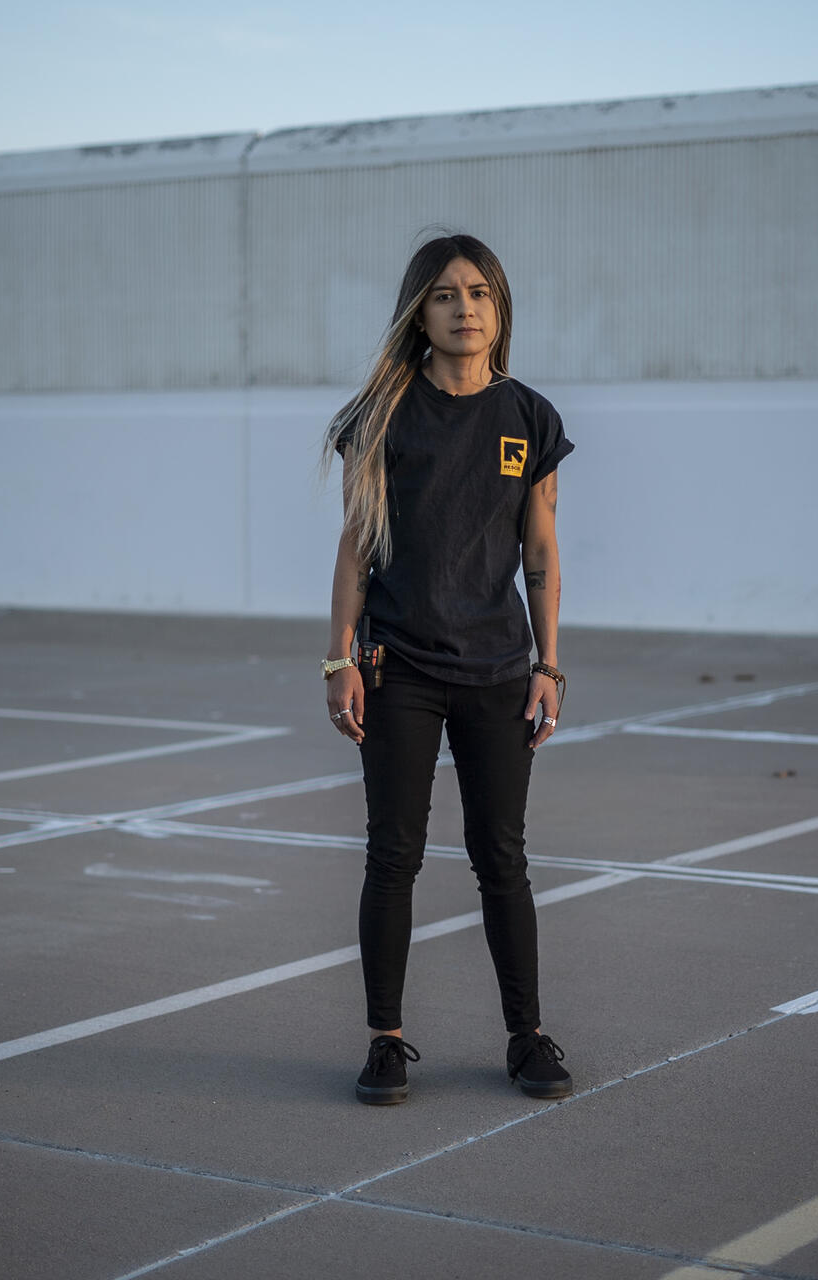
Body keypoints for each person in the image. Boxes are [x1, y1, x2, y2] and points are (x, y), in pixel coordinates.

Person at [320, 233, 575, 1106]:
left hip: (501, 670)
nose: (463, 308)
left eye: (478, 293)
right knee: (393, 857)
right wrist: (338, 659)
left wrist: (550, 667)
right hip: (399, 668)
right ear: (417, 313)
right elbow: (355, 552)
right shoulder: (382, 417)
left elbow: (540, 553)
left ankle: (526, 1036)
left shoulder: (530, 419)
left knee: (501, 857)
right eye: (443, 295)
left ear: (498, 308)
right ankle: (385, 1042)